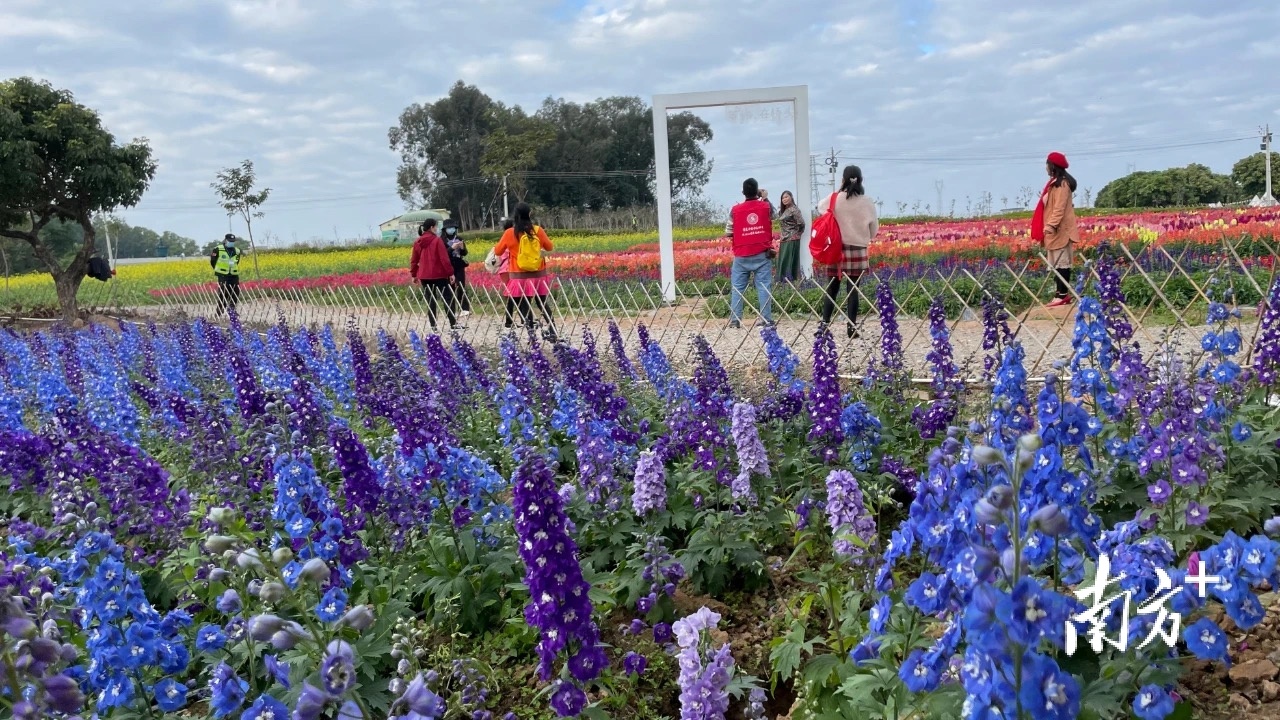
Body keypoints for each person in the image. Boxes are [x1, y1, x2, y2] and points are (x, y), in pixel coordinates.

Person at [818, 165, 877, 339]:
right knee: (853, 290)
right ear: (861, 180)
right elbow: (873, 230)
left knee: (832, 288)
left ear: (843, 180)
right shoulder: (867, 201)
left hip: (836, 248)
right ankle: (851, 328)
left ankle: (824, 325)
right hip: (857, 249)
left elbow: (821, 208)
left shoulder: (834, 198)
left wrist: (840, 190)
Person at [492, 203, 558, 341]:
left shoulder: (509, 233)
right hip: (538, 273)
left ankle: (531, 335)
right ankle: (553, 330)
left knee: (525, 304)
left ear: (515, 215)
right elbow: (550, 247)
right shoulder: (538, 230)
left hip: (519, 276)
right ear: (529, 214)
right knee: (542, 303)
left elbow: (498, 251)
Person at [724, 178, 776, 329]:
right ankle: (766, 319)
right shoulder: (765, 206)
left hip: (741, 254)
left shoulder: (735, 210)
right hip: (762, 253)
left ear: (743, 192)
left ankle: (735, 320)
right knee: (763, 287)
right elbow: (774, 215)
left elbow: (728, 232)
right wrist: (764, 197)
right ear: (757, 191)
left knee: (737, 288)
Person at [1032, 151, 1079, 307]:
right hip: (1053, 231)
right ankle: (1059, 294)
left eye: (1047, 164)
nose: (1045, 167)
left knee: (1062, 262)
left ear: (1053, 166)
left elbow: (1059, 208)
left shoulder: (1062, 184)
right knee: (1056, 263)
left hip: (1060, 230)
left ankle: (1063, 295)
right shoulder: (1053, 183)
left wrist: (1051, 225)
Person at [409, 218, 462, 331]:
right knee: (447, 298)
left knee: (430, 300)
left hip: (424, 276)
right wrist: (450, 273)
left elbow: (414, 260)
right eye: (436, 226)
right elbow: (444, 259)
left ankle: (433, 326)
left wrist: (414, 274)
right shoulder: (437, 240)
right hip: (439, 274)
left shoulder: (418, 242)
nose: (437, 229)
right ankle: (453, 324)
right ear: (432, 227)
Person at [442, 218, 471, 316]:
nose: (451, 229)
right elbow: (443, 254)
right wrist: (451, 248)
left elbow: (464, 253)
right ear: (445, 229)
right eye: (449, 228)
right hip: (448, 265)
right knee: (449, 288)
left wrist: (462, 248)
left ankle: (465, 309)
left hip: (459, 264)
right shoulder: (441, 240)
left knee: (461, 286)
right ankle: (451, 310)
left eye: (453, 227)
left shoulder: (459, 238)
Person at [776, 190, 805, 283]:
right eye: (783, 198)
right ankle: (782, 282)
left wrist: (796, 234)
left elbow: (801, 223)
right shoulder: (783, 211)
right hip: (784, 239)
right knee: (783, 260)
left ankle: (791, 281)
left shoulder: (794, 210)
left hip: (792, 239)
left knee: (789, 261)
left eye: (786, 197)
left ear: (791, 197)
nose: (784, 199)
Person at [210, 233, 243, 315]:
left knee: (235, 292)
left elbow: (237, 261)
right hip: (223, 274)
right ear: (225, 240)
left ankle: (232, 310)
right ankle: (219, 311)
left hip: (234, 274)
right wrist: (218, 269)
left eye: (233, 241)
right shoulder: (217, 249)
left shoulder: (237, 251)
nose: (231, 242)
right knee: (223, 293)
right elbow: (213, 261)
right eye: (230, 241)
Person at [497, 217, 517, 329]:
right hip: (511, 268)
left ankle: (509, 321)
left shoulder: (503, 237)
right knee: (516, 294)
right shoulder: (513, 237)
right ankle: (512, 320)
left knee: (511, 294)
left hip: (503, 270)